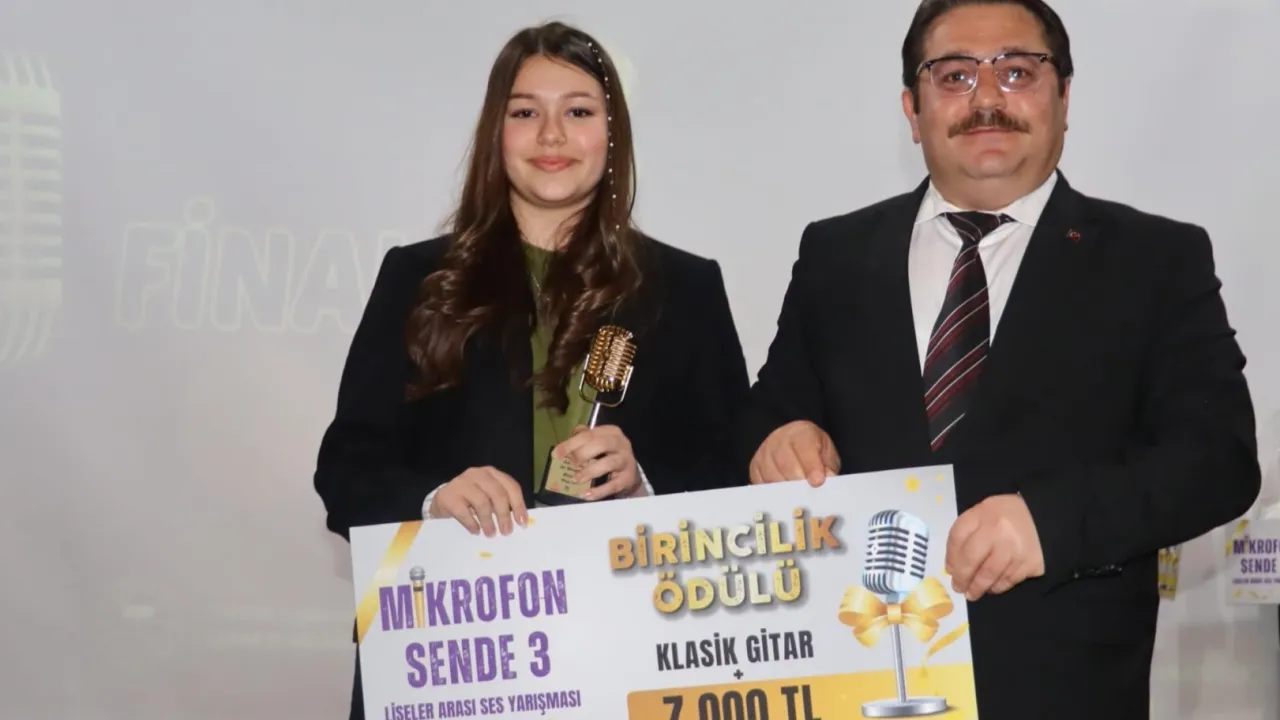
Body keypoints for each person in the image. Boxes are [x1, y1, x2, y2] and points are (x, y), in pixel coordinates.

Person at [741, 1, 1260, 717]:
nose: (986, 98)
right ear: (912, 109)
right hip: (862, 683)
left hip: (1061, 691)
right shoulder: (836, 255)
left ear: (1064, 97)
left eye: (1017, 72)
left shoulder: (1155, 260)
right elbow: (769, 412)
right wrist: (778, 438)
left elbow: (1217, 462)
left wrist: (1051, 524)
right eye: (954, 76)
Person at [312, 21, 751, 720]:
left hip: (627, 655)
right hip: (449, 654)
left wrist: (644, 484)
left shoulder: (686, 287)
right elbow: (345, 471)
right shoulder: (418, 279)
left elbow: (733, 477)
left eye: (578, 111)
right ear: (496, 132)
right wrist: (433, 500)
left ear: (612, 135)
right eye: (525, 112)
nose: (552, 134)